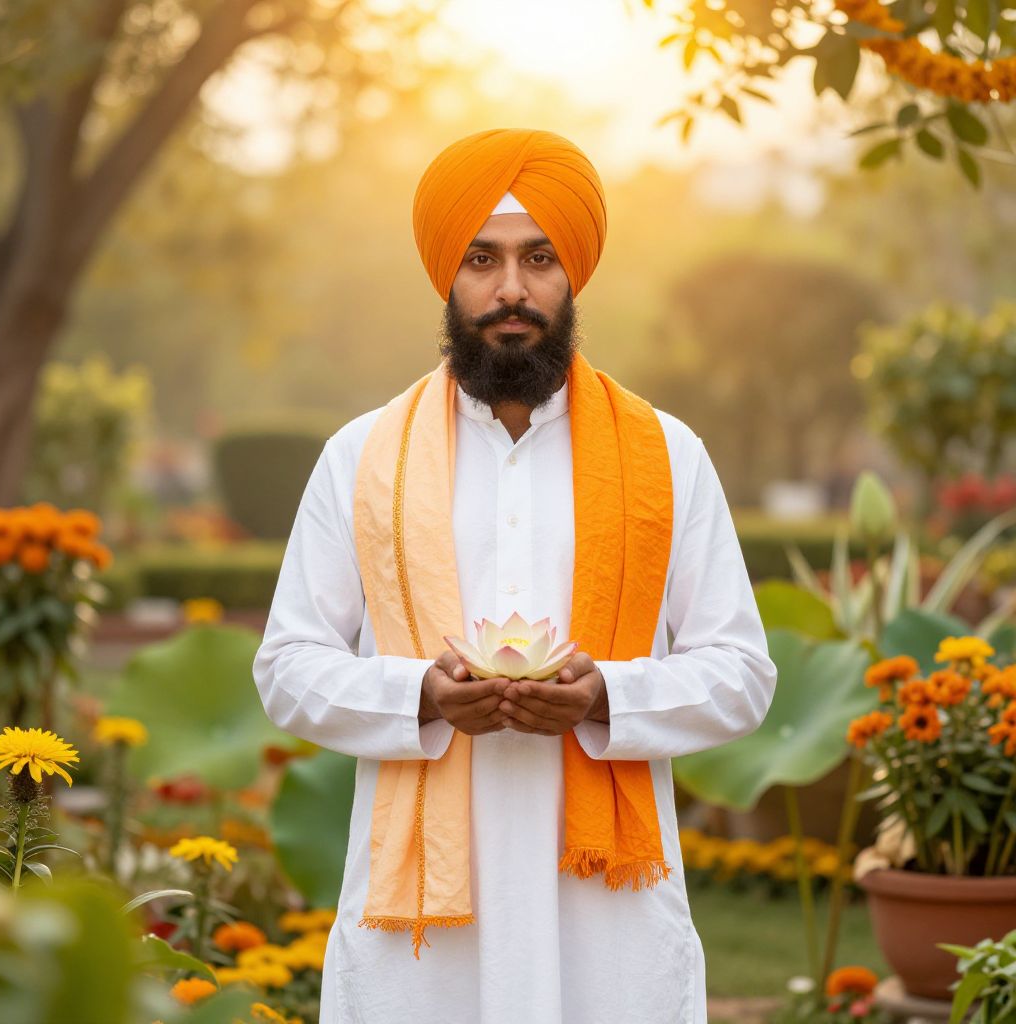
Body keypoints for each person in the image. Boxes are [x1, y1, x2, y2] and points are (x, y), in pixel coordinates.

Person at [252, 127, 777, 1024]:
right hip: (422, 948)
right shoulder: (361, 457)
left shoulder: (667, 456)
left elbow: (742, 675)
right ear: (446, 280)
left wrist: (606, 695)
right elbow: (287, 666)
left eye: (539, 259)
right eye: (481, 259)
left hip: (604, 925)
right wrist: (417, 693)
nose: (511, 290)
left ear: (572, 273)